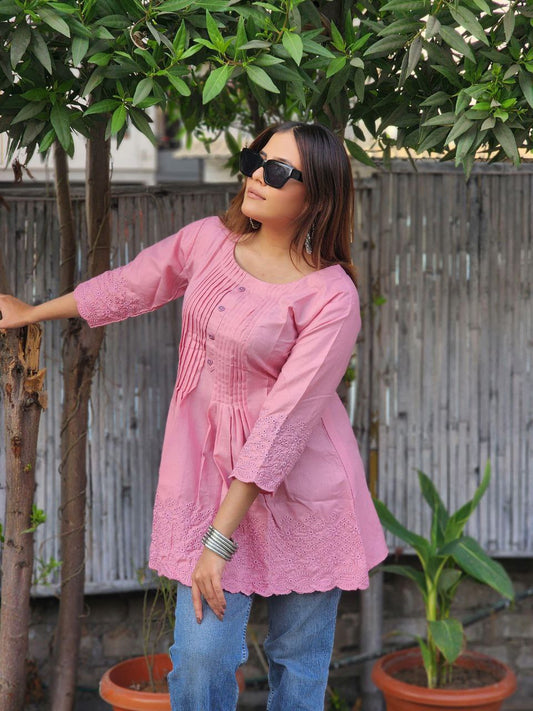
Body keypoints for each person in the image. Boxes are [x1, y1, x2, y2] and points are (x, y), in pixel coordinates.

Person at [0, 121, 387, 710]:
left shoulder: (332, 296)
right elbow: (133, 284)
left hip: (306, 494)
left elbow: (283, 427)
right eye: (255, 159)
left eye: (279, 170)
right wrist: (33, 312)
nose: (257, 176)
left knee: (298, 664)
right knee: (202, 657)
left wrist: (218, 542)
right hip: (211, 483)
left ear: (319, 194)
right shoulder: (209, 241)